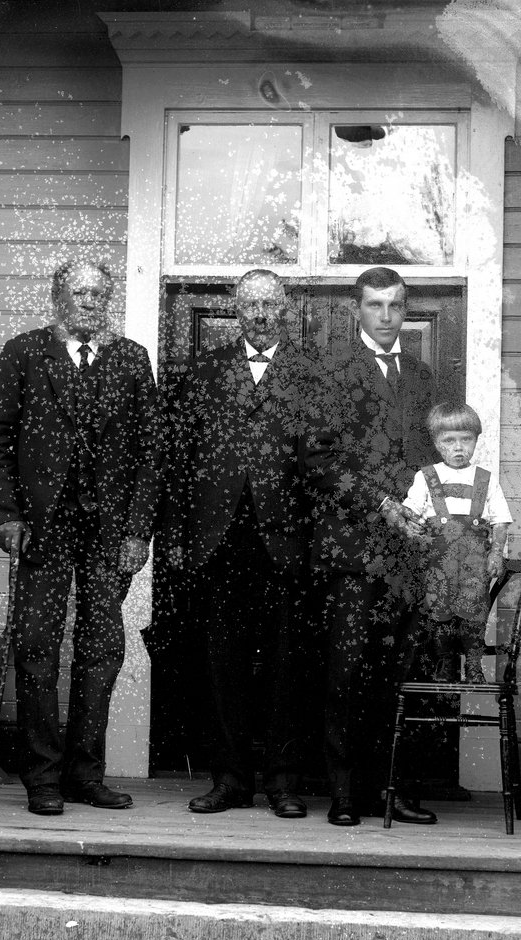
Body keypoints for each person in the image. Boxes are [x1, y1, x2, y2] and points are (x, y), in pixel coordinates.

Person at [0, 260, 162, 816]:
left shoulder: (130, 358)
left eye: (99, 293)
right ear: (59, 297)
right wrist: (7, 517)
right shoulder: (24, 352)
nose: (90, 301)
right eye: (80, 292)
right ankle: (42, 777)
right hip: (42, 528)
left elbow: (152, 452)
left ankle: (85, 774)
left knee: (101, 650)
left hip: (108, 533)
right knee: (37, 648)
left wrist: (137, 531)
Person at [165, 269, 315, 819]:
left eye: (270, 303)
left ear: (285, 308)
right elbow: (178, 458)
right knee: (221, 664)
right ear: (236, 308)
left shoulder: (311, 374)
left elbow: (325, 462)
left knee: (285, 667)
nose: (260, 313)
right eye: (250, 303)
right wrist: (175, 536)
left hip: (286, 542)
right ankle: (229, 781)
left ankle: (283, 782)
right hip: (218, 540)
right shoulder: (205, 370)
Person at [301, 266, 440, 827]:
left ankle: (391, 790)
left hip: (408, 554)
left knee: (397, 674)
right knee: (347, 671)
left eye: (396, 305)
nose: (386, 316)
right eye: (375, 305)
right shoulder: (330, 370)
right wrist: (382, 504)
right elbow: (317, 459)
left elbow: (438, 458)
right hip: (352, 550)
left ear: (407, 309)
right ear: (355, 309)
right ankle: (344, 793)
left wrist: (430, 514)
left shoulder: (425, 378)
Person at [402, 402, 513, 684]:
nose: (458, 447)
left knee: (474, 614)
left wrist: (496, 554)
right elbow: (410, 515)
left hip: (475, 564)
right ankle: (445, 663)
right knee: (439, 612)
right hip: (437, 563)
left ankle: (474, 666)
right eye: (449, 440)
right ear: (437, 443)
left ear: (476, 440)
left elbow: (500, 521)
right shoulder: (426, 477)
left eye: (466, 439)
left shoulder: (486, 479)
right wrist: (410, 526)